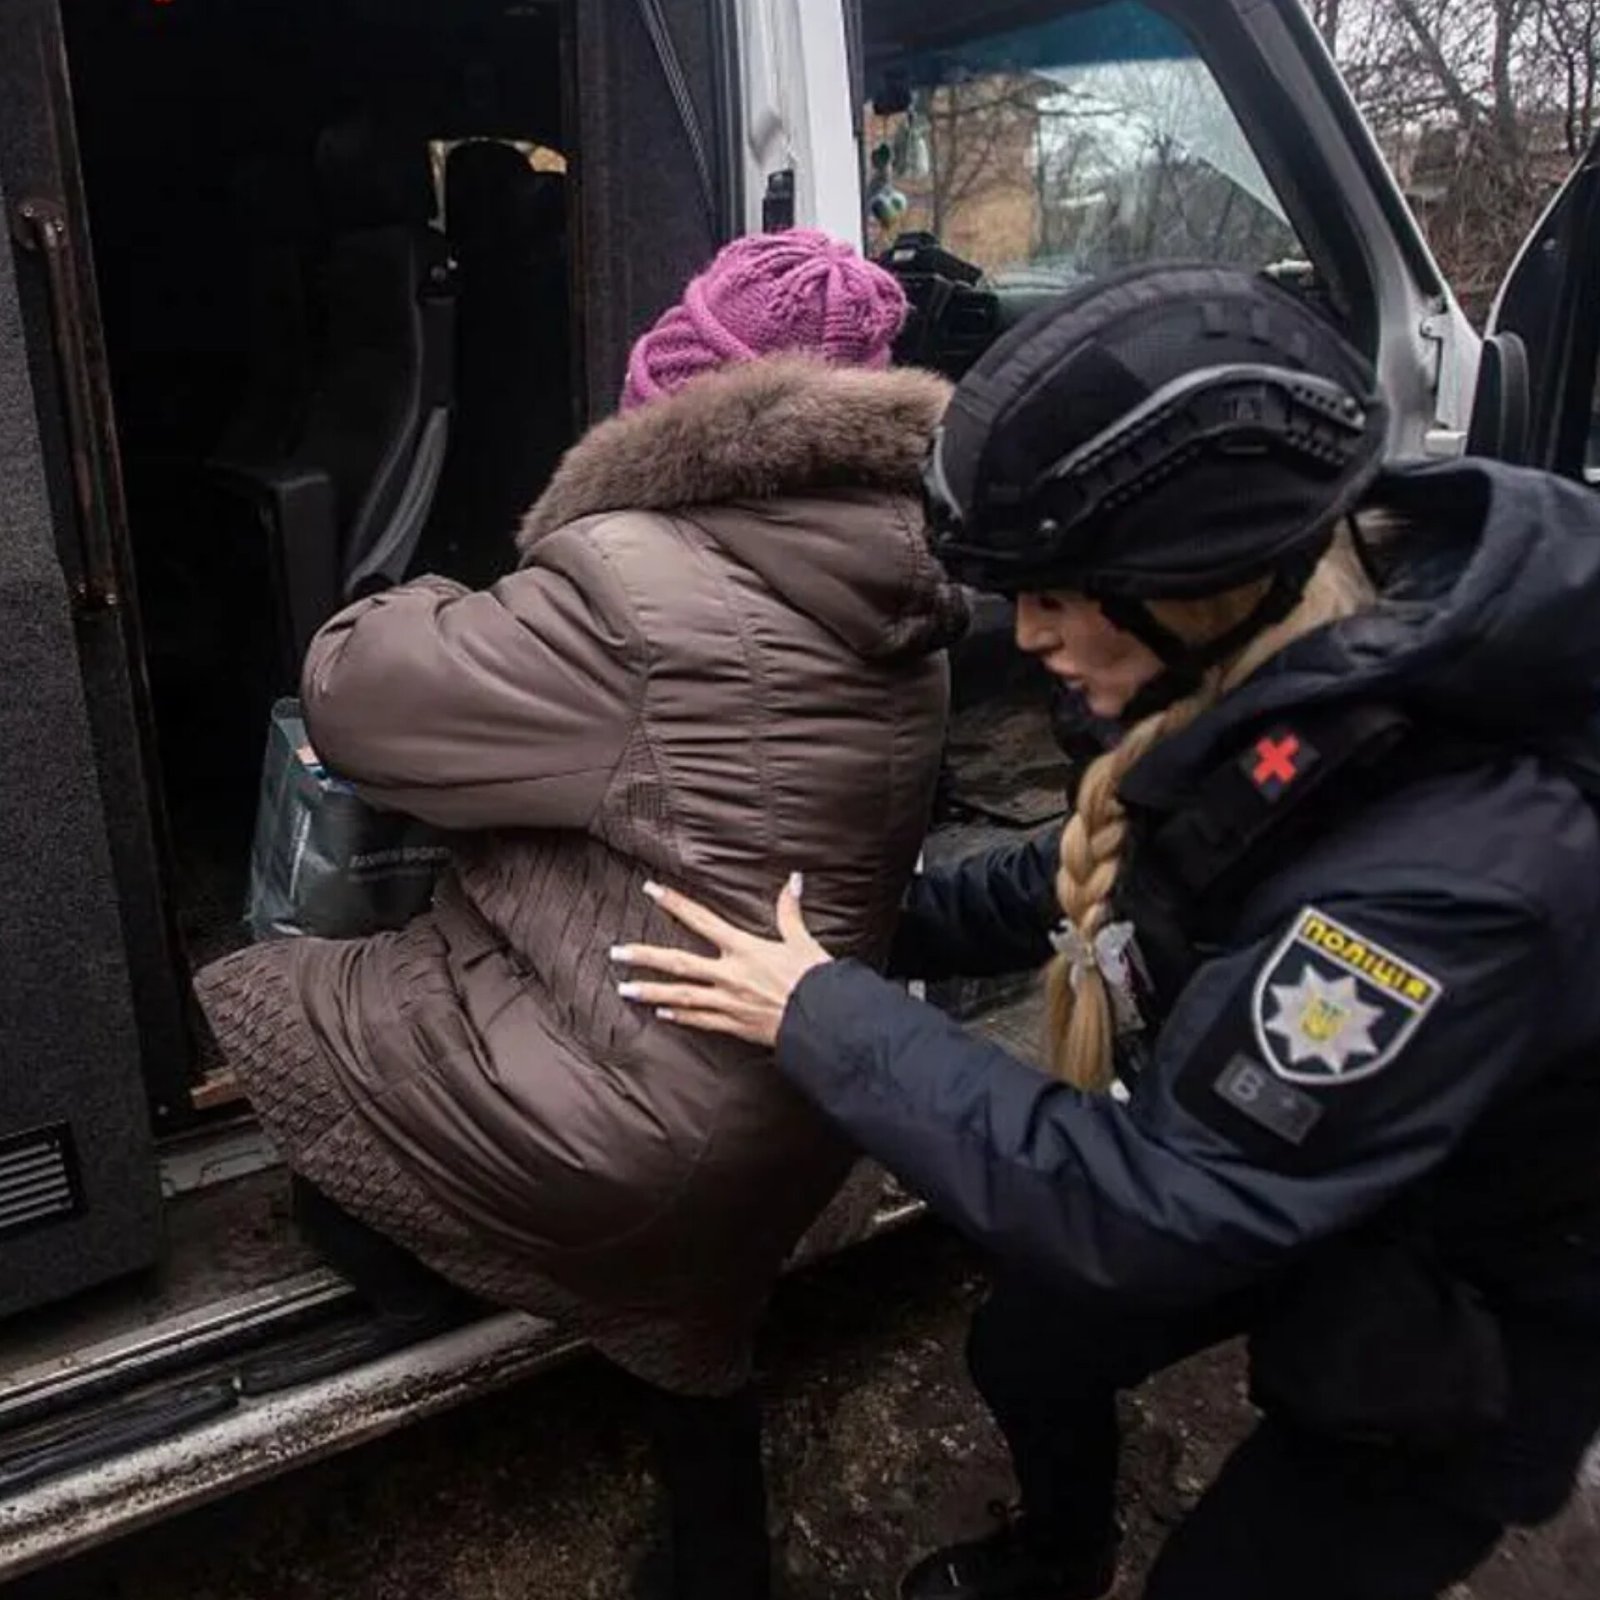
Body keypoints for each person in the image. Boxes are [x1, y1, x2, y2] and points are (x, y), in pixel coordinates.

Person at [611, 265, 1600, 1598]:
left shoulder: (1441, 889)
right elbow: (1124, 868)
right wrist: (863, 927)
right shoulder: (1297, 647)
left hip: (1469, 1292)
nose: (1027, 637)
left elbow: (1157, 1206)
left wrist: (823, 1016)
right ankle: (1056, 1560)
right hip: (1297, 1157)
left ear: (1193, 581)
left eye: (1059, 594)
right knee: (1029, 1346)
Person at [195, 228, 966, 1600]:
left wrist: (425, 592)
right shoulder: (905, 597)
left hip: (632, 1143)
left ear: (678, 403)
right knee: (689, 1312)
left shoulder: (631, 586)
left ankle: (458, 1271)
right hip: (804, 1104)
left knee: (293, 1009)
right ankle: (719, 1559)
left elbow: (357, 704)